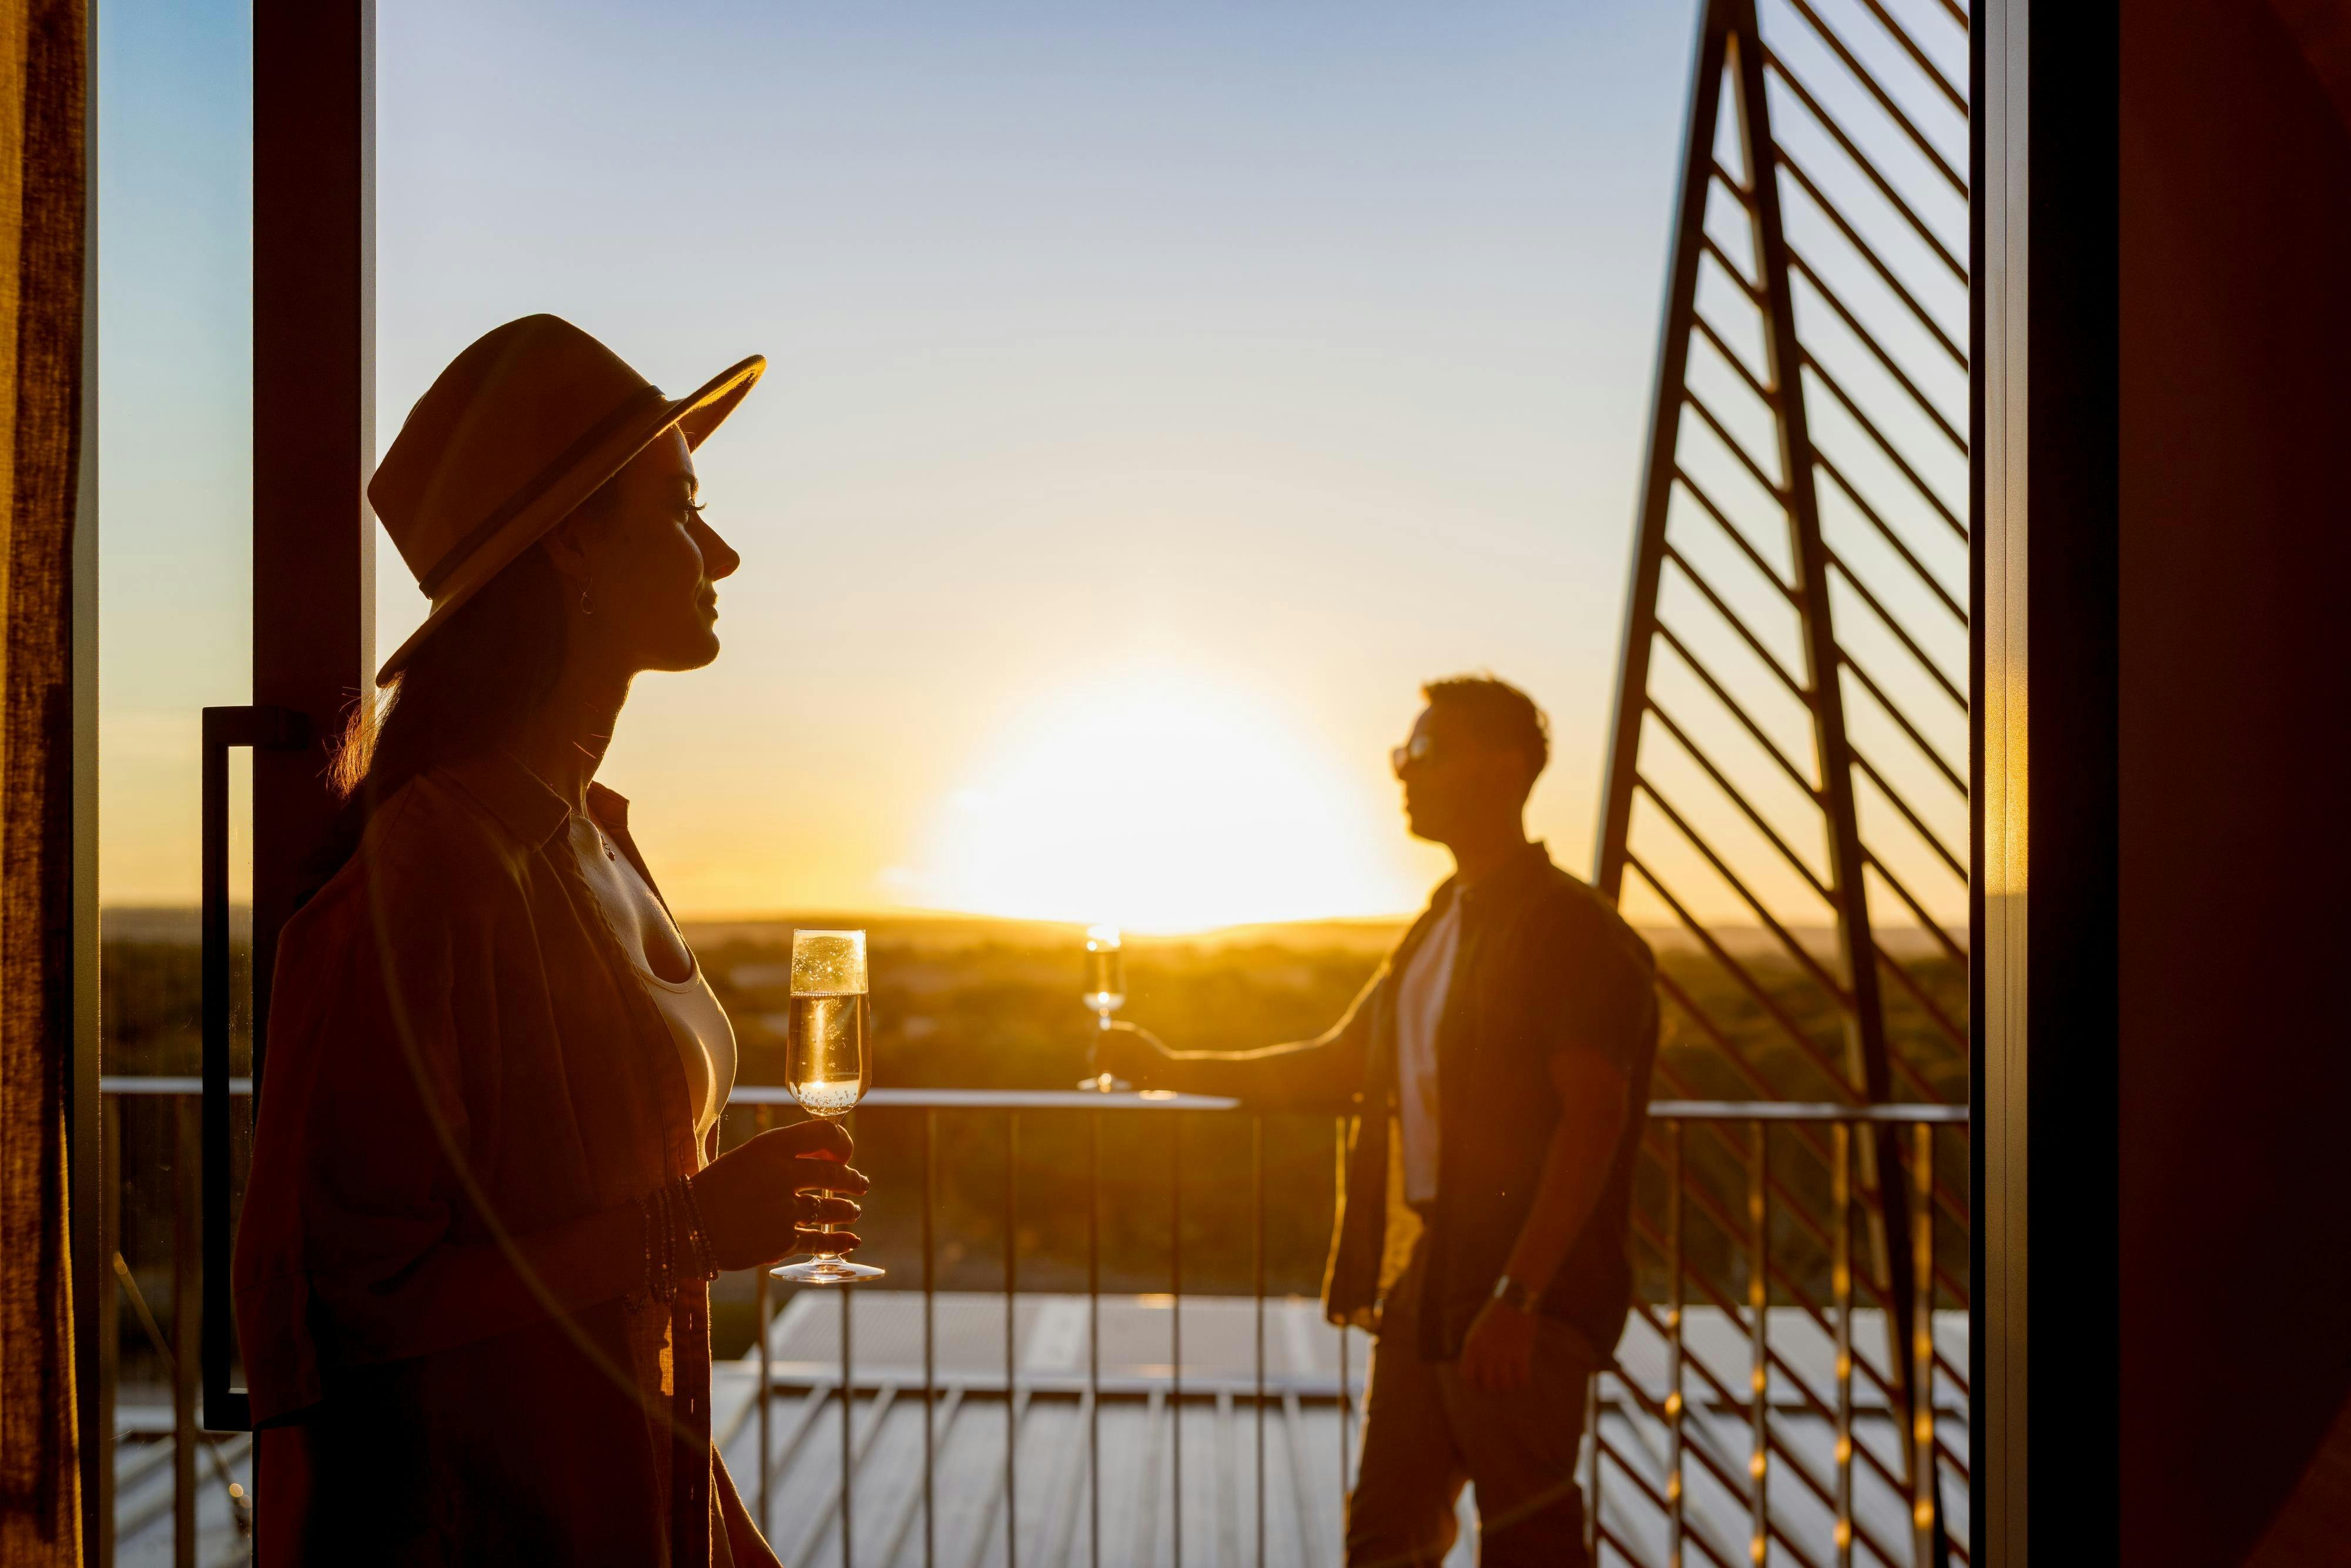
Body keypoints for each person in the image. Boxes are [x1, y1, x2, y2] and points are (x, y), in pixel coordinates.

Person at [233, 315, 865, 1566]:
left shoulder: (592, 838)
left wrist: (729, 1536)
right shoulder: (428, 876)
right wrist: (686, 1227)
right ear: (572, 539)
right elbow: (345, 1301)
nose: (722, 550)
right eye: (682, 506)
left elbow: (627, 1331)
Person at [1099, 675, 1657, 1566]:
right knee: (1386, 1540)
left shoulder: (1567, 930)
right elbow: (1338, 1064)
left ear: (1503, 768)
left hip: (1519, 1290)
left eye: (1424, 752)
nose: (1401, 772)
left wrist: (1520, 1298)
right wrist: (1170, 1068)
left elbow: (1595, 1118)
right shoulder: (1443, 923)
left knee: (1530, 1541)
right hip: (1430, 1281)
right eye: (1404, 754)